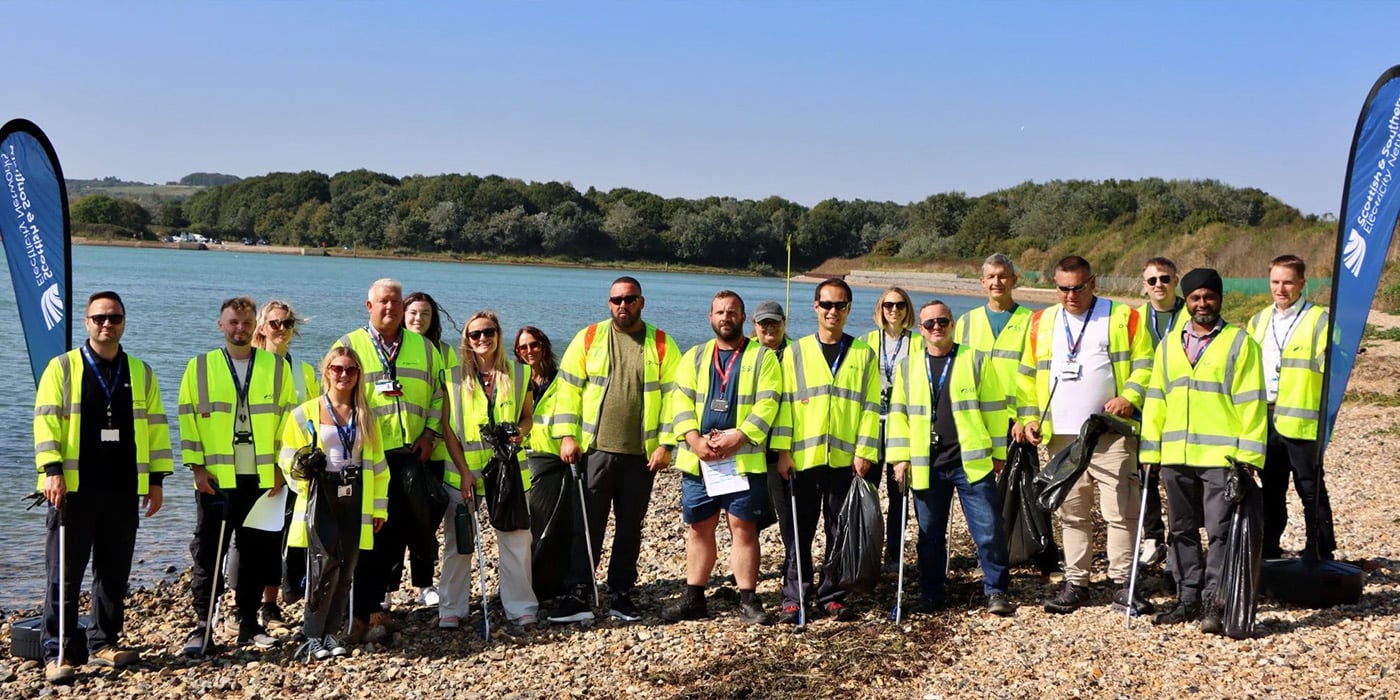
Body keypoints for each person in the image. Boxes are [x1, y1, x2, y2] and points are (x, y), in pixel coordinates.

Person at [34, 292, 173, 683]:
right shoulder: (62, 368)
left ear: (124, 321)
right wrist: (52, 470)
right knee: (64, 572)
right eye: (99, 318)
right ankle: (55, 649)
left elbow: (158, 429)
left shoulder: (142, 372)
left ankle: (103, 643)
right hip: (73, 489)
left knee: (113, 572)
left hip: (123, 487)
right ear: (86, 322)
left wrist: (156, 480)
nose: (106, 324)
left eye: (113, 317)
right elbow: (45, 423)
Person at [1012, 256, 1153, 615]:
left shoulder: (1123, 316)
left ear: (1093, 282)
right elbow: (1026, 377)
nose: (1070, 295)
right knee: (1072, 512)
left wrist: (1130, 397)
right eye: (1062, 288)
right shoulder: (1041, 322)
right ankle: (1077, 583)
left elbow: (1146, 364)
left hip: (1110, 432)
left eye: (1077, 287)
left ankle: (1123, 583)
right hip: (1062, 437)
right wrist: (1029, 418)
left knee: (1120, 509)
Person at [1141, 269, 1268, 633]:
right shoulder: (1168, 346)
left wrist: (1247, 460)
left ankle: (1216, 602)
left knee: (1220, 532)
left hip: (1221, 459)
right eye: (1195, 298)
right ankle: (1188, 598)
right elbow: (1156, 401)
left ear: (1220, 298)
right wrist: (1150, 452)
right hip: (1176, 456)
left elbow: (1252, 405)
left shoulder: (1240, 344)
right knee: (1180, 531)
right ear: (1188, 301)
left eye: (1209, 297)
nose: (1202, 304)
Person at [548, 276, 680, 624]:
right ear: (609, 303)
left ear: (642, 302)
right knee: (586, 526)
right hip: (596, 451)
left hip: (641, 456)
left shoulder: (663, 343)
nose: (623, 305)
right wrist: (566, 436)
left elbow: (676, 399)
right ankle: (578, 592)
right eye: (616, 299)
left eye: (630, 298)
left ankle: (621, 593)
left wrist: (667, 444)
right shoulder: (588, 338)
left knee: (629, 527)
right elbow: (568, 391)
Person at [179, 296, 297, 655]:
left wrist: (281, 468)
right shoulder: (200, 367)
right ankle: (203, 627)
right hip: (216, 478)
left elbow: (287, 421)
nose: (240, 329)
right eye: (233, 322)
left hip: (261, 478)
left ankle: (248, 623)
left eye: (246, 323)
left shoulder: (276, 368)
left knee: (255, 552)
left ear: (255, 327)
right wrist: (196, 467)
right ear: (221, 325)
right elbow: (187, 420)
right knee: (208, 553)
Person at [660, 291, 782, 625]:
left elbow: (769, 401)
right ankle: (693, 598)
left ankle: (748, 599)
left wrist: (740, 436)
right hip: (700, 460)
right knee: (700, 528)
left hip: (743, 458)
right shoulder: (695, 356)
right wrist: (693, 439)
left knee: (743, 529)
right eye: (719, 312)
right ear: (710, 317)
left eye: (732, 312)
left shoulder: (762, 357)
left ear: (743, 318)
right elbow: (679, 401)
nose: (725, 317)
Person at [334, 279, 445, 642]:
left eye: (396, 302)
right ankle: (355, 613)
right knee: (363, 536)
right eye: (383, 302)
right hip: (365, 457)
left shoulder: (424, 348)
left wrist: (430, 434)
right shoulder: (349, 345)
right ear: (368, 306)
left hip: (410, 456)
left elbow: (438, 396)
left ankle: (376, 609)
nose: (390, 308)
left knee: (395, 536)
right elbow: (334, 396)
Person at [890, 301, 1015, 616]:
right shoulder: (908, 366)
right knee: (929, 535)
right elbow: (899, 415)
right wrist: (899, 459)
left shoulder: (974, 360)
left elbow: (996, 411)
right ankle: (932, 593)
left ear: (952, 324)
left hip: (969, 462)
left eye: (942, 321)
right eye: (929, 323)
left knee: (988, 530)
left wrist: (998, 452)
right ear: (921, 329)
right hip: (926, 464)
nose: (936, 328)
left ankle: (996, 590)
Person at [771, 278, 881, 623]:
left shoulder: (863, 354)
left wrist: (864, 451)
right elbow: (784, 405)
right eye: (827, 305)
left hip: (844, 461)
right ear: (815, 307)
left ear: (849, 309)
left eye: (841, 305)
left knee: (838, 529)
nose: (833, 311)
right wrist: (783, 452)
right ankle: (795, 595)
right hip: (803, 460)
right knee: (798, 531)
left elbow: (870, 407)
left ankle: (832, 594)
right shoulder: (795, 352)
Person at [278, 347, 389, 660]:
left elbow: (379, 467)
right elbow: (287, 459)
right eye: (337, 369)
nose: (343, 375)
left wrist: (378, 508)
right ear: (326, 371)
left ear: (358, 376)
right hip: (321, 498)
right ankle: (311, 635)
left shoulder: (366, 416)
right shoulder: (304, 413)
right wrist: (304, 475)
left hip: (354, 498)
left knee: (346, 569)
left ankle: (331, 632)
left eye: (351, 370)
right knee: (321, 568)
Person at [955, 254, 1053, 575]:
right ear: (982, 282)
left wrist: (1026, 418)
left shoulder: (1031, 321)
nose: (997, 282)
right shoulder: (967, 322)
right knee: (982, 487)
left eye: (1003, 276)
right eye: (991, 277)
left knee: (1028, 485)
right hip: (978, 419)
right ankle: (993, 549)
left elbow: (1034, 374)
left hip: (1016, 422)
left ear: (1014, 279)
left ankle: (1037, 546)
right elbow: (959, 371)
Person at [440, 311, 538, 629]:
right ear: (466, 341)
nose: (483, 339)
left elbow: (527, 417)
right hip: (464, 473)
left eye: (488, 332)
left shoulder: (520, 375)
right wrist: (464, 470)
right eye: (475, 334)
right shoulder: (452, 377)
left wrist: (520, 433)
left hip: (509, 471)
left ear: (498, 334)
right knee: (459, 543)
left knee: (516, 539)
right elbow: (447, 430)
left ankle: (521, 605)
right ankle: (451, 608)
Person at [1245, 255, 1334, 560]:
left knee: (1310, 488)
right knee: (1271, 488)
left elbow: (1329, 364)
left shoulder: (1319, 319)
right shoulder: (1257, 320)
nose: (1281, 289)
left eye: (1287, 282)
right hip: (1265, 417)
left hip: (1300, 419)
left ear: (1301, 283)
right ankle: (1269, 548)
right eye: (1275, 281)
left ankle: (1321, 548)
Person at [250, 299, 320, 628]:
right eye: (275, 323)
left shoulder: (303, 371)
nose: (281, 329)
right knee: (256, 539)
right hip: (257, 467)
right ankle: (250, 608)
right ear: (261, 327)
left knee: (288, 534)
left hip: (296, 469)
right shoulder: (251, 367)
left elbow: (314, 419)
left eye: (287, 324)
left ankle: (274, 602)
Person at [398, 291, 457, 608]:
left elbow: (449, 397)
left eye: (424, 314)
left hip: (432, 453)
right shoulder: (390, 351)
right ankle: (385, 588)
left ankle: (424, 583)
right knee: (391, 524)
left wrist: (431, 435)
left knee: (425, 521)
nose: (418, 318)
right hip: (395, 451)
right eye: (412, 313)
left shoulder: (445, 353)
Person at [862, 286, 923, 573]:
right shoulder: (866, 342)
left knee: (899, 493)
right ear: (880, 308)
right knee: (868, 492)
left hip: (903, 425)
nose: (894, 310)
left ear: (907, 309)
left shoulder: (918, 343)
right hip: (873, 426)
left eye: (899, 305)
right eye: (888, 305)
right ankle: (867, 551)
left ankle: (895, 555)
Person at [1134, 258, 1184, 569]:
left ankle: (1180, 540)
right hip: (1144, 408)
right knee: (1145, 474)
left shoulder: (1191, 313)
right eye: (1152, 280)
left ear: (1175, 281)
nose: (1158, 285)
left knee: (1179, 478)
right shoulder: (1135, 317)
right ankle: (1152, 537)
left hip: (1181, 407)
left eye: (1164, 278)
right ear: (1144, 286)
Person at [516, 326, 572, 601]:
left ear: (544, 346)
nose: (529, 351)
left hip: (553, 460)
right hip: (522, 460)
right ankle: (523, 585)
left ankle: (546, 584)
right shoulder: (515, 382)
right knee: (523, 529)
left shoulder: (562, 380)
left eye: (534, 345)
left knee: (550, 528)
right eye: (522, 347)